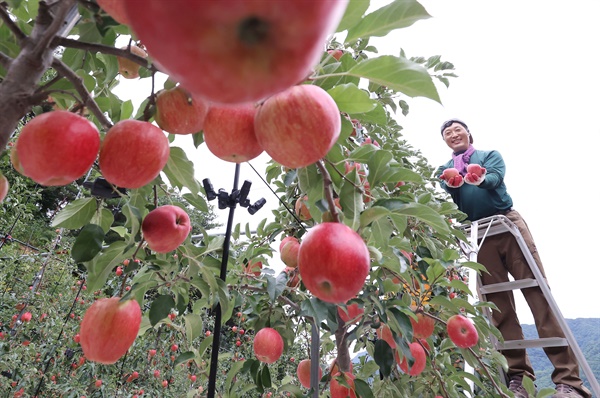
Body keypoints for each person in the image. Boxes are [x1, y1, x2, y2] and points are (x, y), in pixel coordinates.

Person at [436, 119, 591, 398]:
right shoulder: (444, 169)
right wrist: (452, 179)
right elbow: (449, 188)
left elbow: (495, 178)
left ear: (469, 133)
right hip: (479, 233)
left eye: (457, 129)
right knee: (498, 308)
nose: (453, 134)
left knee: (537, 294)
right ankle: (518, 379)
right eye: (447, 133)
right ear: (445, 141)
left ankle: (569, 381)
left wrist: (479, 177)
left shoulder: (488, 156)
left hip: (506, 224)